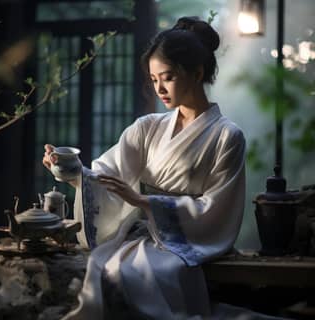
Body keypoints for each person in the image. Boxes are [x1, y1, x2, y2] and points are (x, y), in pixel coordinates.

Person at [43, 16, 248, 320]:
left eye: (167, 77)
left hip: (179, 243)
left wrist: (144, 201)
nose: (159, 88)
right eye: (153, 80)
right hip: (138, 234)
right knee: (103, 268)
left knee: (142, 277)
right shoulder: (148, 127)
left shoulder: (227, 136)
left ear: (197, 73)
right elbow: (106, 175)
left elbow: (215, 209)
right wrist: (70, 170)